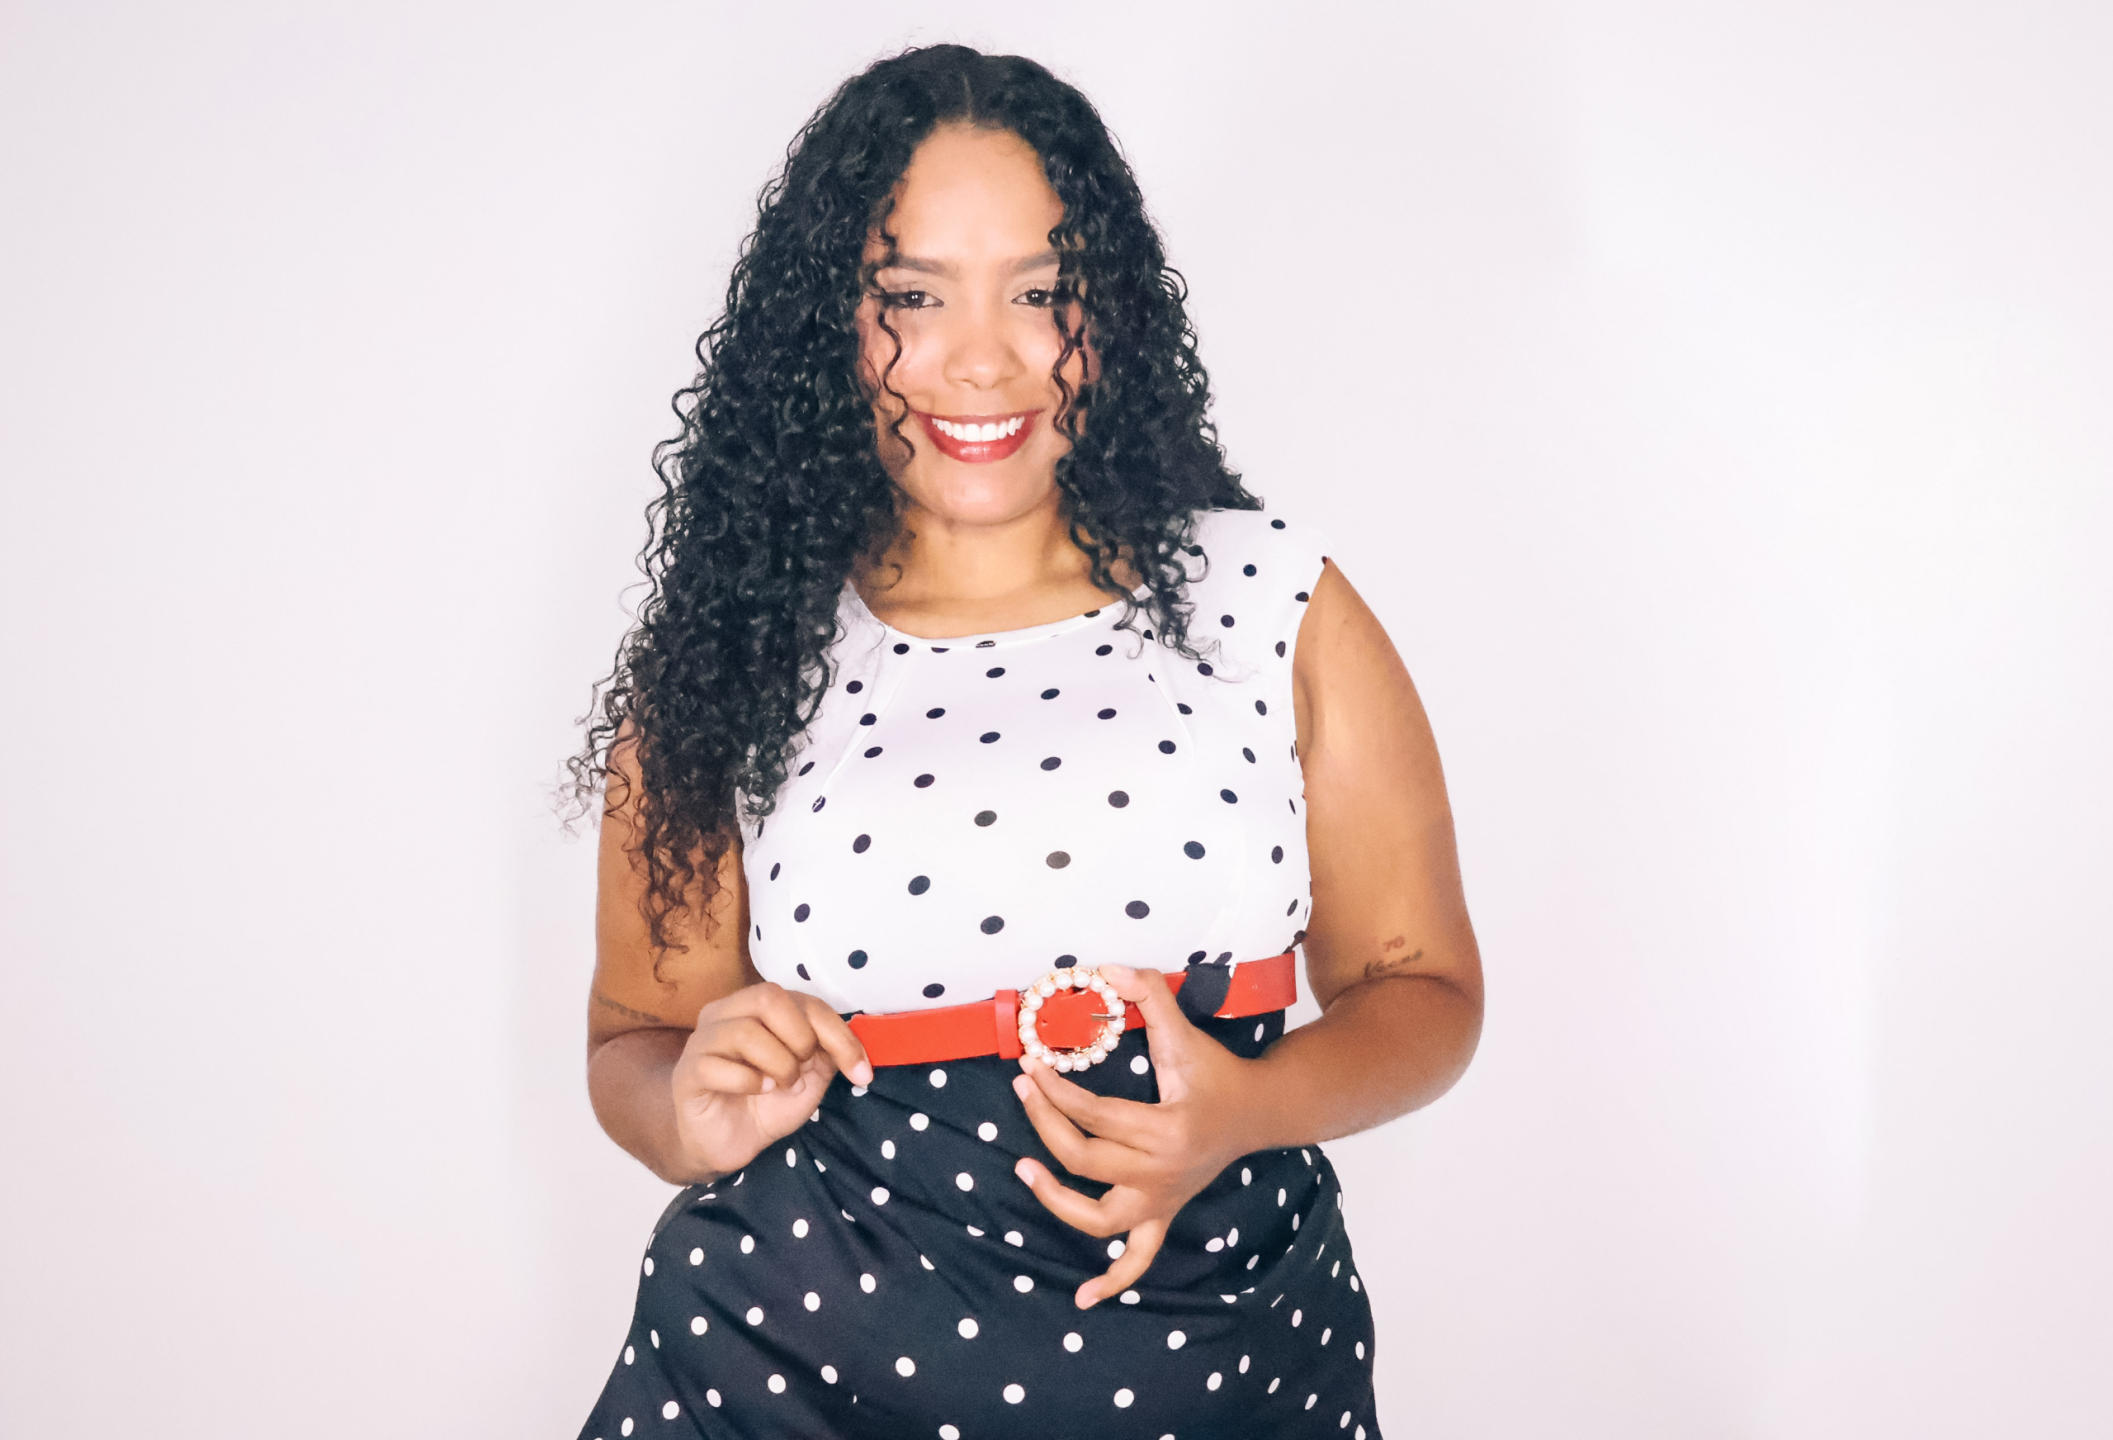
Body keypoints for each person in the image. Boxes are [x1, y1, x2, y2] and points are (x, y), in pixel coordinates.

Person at [562, 42, 1482, 1439]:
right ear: (828, 323)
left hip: (1228, 1366)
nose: (981, 359)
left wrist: (1244, 1108)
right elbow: (636, 1031)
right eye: (911, 296)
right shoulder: (732, 648)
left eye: (1041, 293)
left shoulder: (1269, 600)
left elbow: (1423, 990)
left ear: (1108, 312)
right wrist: (681, 1112)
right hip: (784, 1367)